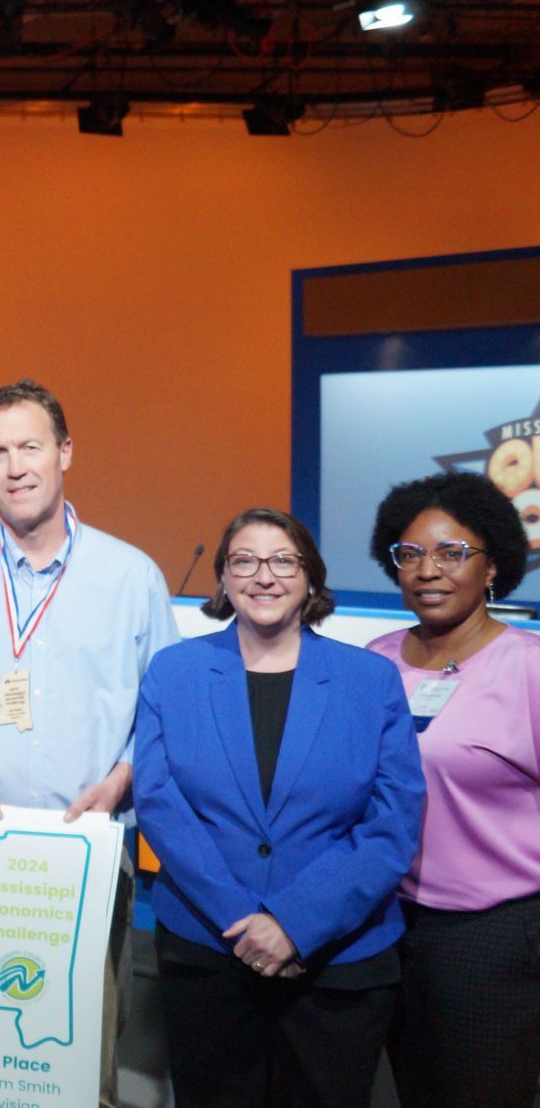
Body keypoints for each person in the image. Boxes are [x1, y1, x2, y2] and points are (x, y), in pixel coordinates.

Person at [0, 378, 177, 1108]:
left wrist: (122, 778)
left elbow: (165, 713)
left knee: (80, 1058)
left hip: (85, 846)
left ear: (65, 452)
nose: (16, 467)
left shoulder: (131, 577)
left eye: (30, 447)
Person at [134, 507, 424, 1108]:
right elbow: (161, 804)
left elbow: (393, 821)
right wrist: (244, 919)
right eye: (244, 561)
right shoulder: (175, 672)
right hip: (210, 949)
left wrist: (295, 923)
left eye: (283, 561)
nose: (263, 576)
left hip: (337, 960)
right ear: (223, 577)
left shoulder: (370, 680)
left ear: (311, 576)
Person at [365, 471, 540, 1108]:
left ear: (492, 566)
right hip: (384, 921)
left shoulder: (527, 666)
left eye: (452, 553)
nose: (427, 571)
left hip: (494, 937)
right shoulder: (375, 660)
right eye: (410, 554)